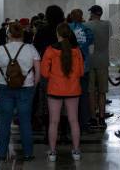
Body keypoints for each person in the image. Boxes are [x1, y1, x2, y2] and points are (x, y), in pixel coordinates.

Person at [0, 22, 41, 161]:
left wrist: (2, 81)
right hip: (26, 88)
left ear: (9, 34)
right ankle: (28, 152)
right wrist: (33, 84)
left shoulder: (0, 49)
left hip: (4, 88)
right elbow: (38, 71)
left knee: (4, 120)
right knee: (25, 120)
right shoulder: (31, 49)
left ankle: (1, 153)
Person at [40, 22, 84, 162]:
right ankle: (76, 151)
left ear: (57, 34)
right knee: (73, 120)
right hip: (73, 89)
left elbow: (44, 73)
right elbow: (81, 72)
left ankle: (52, 152)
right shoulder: (76, 51)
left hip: (55, 89)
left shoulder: (50, 50)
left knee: (54, 121)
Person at [84, 5, 112, 129]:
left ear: (93, 13)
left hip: (90, 61)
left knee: (91, 91)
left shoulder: (87, 25)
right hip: (103, 61)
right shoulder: (108, 24)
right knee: (102, 91)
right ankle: (101, 117)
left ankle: (93, 118)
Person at [68, 9, 94, 132]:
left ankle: (70, 123)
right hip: (84, 67)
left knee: (70, 96)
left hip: (71, 68)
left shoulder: (67, 29)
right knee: (83, 96)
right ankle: (83, 123)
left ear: (71, 16)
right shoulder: (87, 30)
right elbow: (91, 43)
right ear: (82, 17)